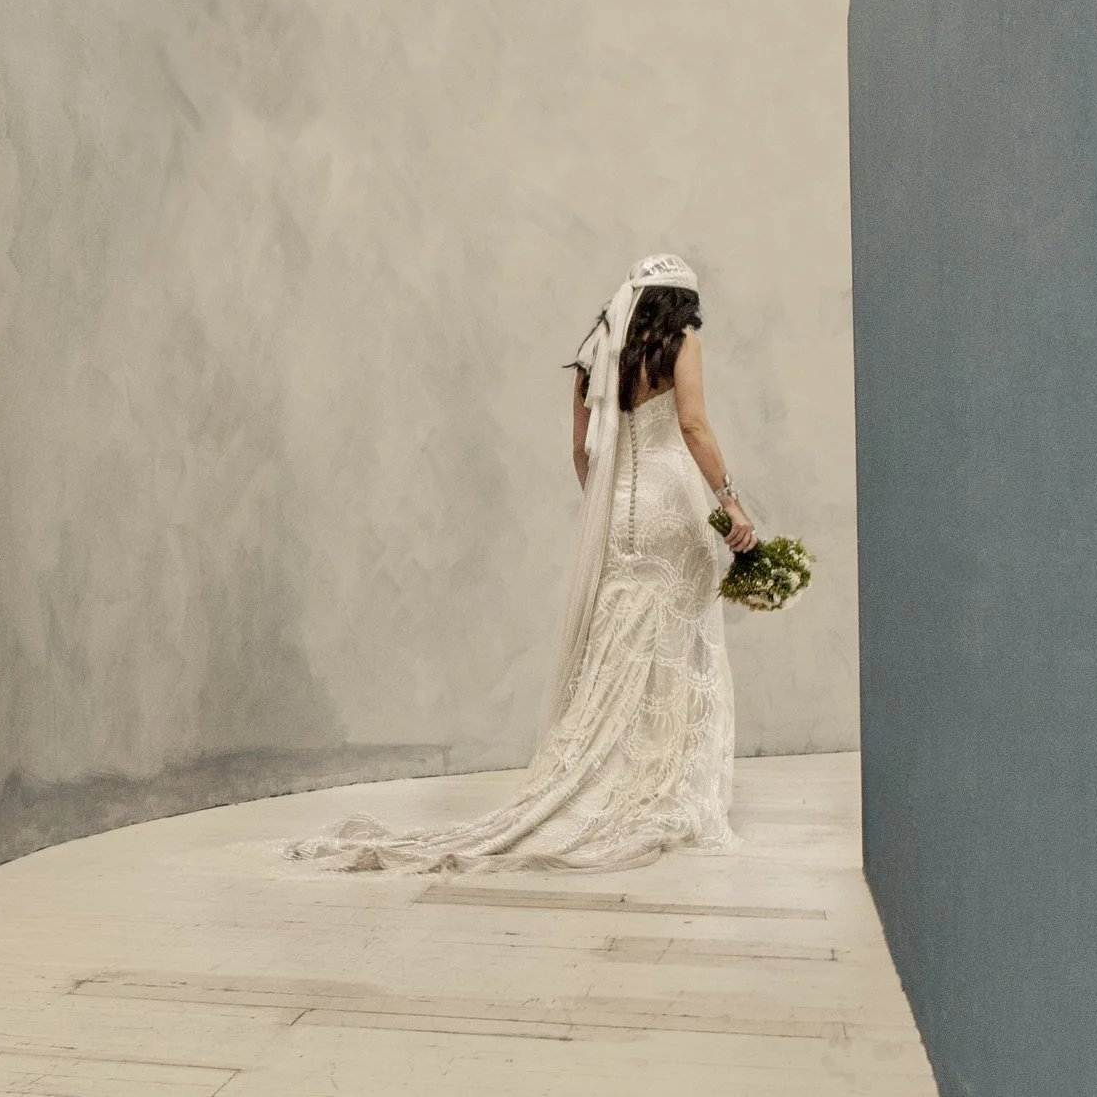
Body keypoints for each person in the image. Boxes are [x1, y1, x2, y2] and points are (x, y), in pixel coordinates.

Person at [289, 254, 751, 873]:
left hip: (617, 513)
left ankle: (597, 774)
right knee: (676, 637)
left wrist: (607, 513)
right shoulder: (681, 342)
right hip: (672, 502)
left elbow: (581, 452)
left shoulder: (597, 351)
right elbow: (691, 424)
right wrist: (730, 500)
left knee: (617, 642)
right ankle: (660, 776)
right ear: (681, 303)